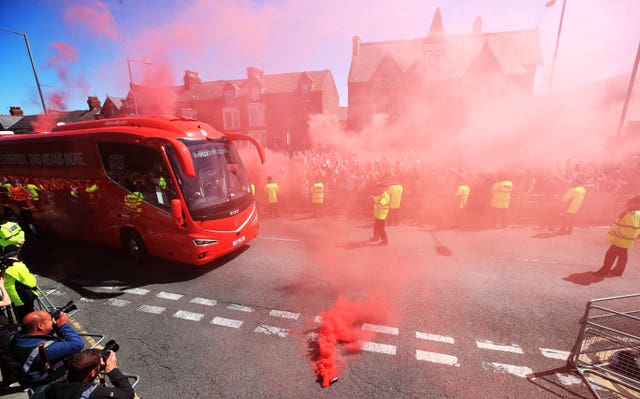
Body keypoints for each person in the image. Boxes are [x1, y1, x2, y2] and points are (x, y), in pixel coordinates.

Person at [9, 310, 84, 387]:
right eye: (50, 319)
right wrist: (63, 325)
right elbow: (77, 344)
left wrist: (54, 327)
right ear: (40, 326)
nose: (53, 320)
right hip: (51, 383)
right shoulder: (43, 350)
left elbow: (40, 335)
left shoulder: (15, 338)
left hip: (28, 379)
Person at [29, 349, 135, 399]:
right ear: (92, 372)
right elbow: (127, 393)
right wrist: (112, 370)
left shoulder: (49, 387)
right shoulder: (91, 393)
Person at [594, 195, 640, 277]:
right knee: (622, 255)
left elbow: (630, 228)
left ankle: (604, 271)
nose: (629, 203)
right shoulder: (634, 212)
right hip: (625, 239)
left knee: (610, 254)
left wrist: (618, 233)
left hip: (621, 238)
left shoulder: (633, 214)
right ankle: (618, 271)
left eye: (632, 202)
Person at [3, 253, 38, 322]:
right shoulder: (17, 266)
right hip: (23, 296)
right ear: (17, 253)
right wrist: (34, 287)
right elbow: (30, 282)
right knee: (30, 318)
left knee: (20, 317)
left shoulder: (3, 266)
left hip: (11, 296)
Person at [0, 272, 18, 387]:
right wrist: (1, 285)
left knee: (3, 356)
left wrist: (2, 273)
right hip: (1, 331)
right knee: (8, 355)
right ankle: (16, 379)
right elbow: (6, 302)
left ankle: (8, 379)